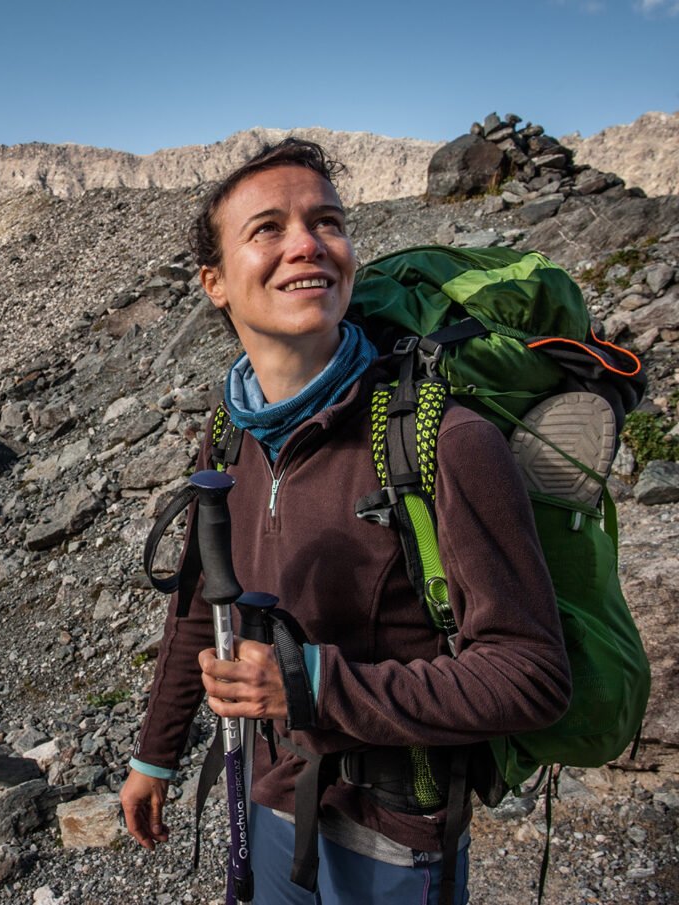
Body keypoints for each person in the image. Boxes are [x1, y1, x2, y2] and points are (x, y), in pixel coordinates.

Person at [119, 139, 571, 904]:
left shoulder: (444, 438)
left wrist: (312, 683)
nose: (307, 243)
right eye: (267, 228)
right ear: (215, 283)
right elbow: (204, 602)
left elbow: (531, 675)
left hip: (392, 836)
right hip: (269, 797)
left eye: (326, 220)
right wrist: (156, 756)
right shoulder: (229, 436)